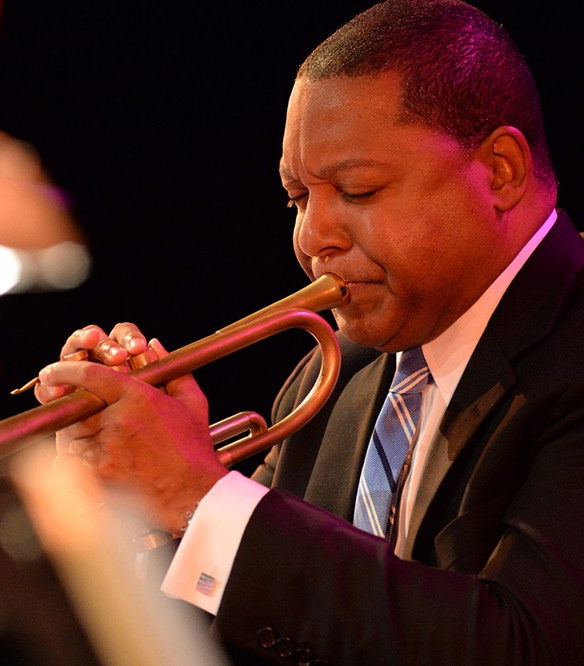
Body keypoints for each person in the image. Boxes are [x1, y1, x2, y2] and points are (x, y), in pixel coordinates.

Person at [34, 1, 584, 663]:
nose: (311, 238)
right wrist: (138, 513)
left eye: (356, 190)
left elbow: (524, 645)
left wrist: (195, 494)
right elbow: (264, 626)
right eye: (297, 197)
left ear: (500, 170)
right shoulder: (337, 373)